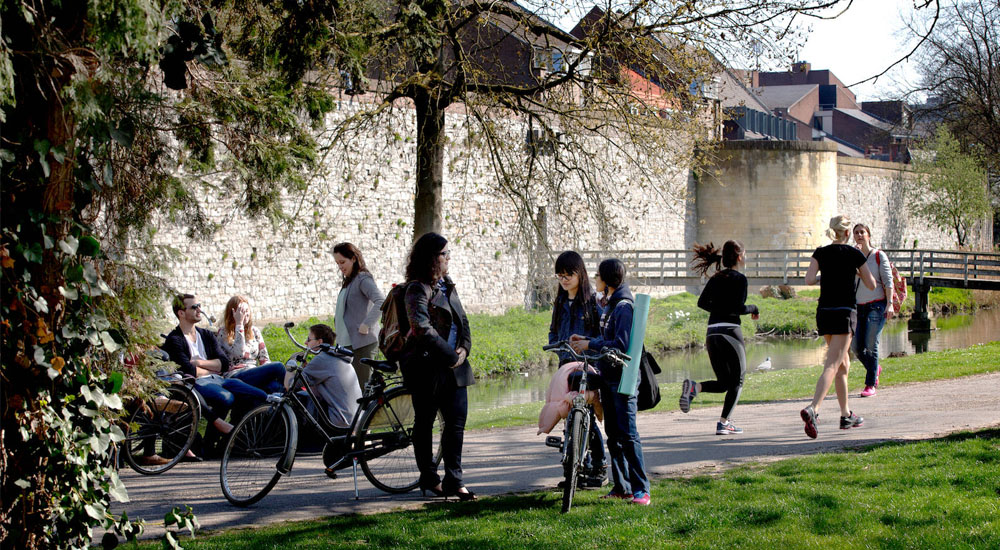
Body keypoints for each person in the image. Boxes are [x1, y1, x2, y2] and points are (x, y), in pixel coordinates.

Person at [400, 232, 476, 501]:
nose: (448, 258)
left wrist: (463, 350)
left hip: (455, 368)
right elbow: (421, 328)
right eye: (445, 254)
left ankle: (455, 480)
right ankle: (430, 478)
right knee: (424, 425)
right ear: (432, 257)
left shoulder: (448, 284)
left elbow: (463, 321)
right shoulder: (416, 289)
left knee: (455, 425)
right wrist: (449, 355)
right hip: (427, 369)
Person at [569, 258, 651, 506]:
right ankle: (622, 487)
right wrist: (585, 338)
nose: (595, 279)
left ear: (606, 280)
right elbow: (608, 337)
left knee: (628, 435)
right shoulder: (612, 304)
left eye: (598, 276)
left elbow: (621, 346)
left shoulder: (623, 307)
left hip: (622, 380)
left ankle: (641, 490)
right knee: (613, 435)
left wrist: (590, 344)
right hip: (609, 377)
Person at [800, 215, 876, 439]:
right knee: (833, 364)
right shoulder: (854, 254)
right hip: (844, 312)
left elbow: (809, 280)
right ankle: (813, 408)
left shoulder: (820, 253)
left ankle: (846, 415)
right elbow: (871, 285)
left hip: (824, 313)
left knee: (843, 364)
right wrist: (856, 270)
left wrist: (828, 277)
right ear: (846, 233)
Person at [161, 294, 258, 456]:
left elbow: (224, 363)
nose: (200, 309)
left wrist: (200, 363)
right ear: (181, 313)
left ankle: (230, 442)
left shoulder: (205, 334)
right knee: (225, 398)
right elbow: (188, 371)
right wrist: (213, 368)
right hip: (197, 383)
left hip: (220, 379)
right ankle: (210, 444)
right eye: (194, 307)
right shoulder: (175, 339)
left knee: (258, 395)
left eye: (199, 305)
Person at [679, 240, 759, 435]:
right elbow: (739, 308)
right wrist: (754, 308)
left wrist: (719, 308)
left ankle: (694, 388)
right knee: (738, 382)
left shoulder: (716, 278)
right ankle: (724, 422)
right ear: (740, 257)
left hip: (712, 333)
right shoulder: (740, 279)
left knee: (724, 383)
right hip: (730, 332)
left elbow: (702, 303)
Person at [547, 251, 607, 487]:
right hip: (565, 364)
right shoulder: (560, 302)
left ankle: (598, 466)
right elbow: (553, 330)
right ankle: (573, 467)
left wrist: (588, 348)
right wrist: (556, 345)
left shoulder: (592, 302)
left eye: (569, 274)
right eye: (560, 275)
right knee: (567, 413)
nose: (564, 279)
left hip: (587, 365)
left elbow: (600, 333)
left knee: (586, 414)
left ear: (579, 274)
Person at [333, 242, 386, 388]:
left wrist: (366, 324)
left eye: (343, 262)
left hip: (362, 343)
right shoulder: (349, 281)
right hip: (346, 344)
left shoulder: (362, 279)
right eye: (337, 263)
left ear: (354, 259)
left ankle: (373, 411)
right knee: (350, 389)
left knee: (363, 388)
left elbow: (381, 301)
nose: (340, 267)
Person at [852, 223, 894, 397]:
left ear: (869, 235)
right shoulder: (852, 257)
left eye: (862, 232)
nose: (859, 235)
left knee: (871, 344)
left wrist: (890, 303)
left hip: (876, 305)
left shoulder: (878, 256)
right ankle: (875, 367)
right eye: (856, 233)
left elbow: (888, 281)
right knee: (855, 346)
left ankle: (870, 385)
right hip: (858, 307)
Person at [217, 295, 286, 397]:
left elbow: (264, 359)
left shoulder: (255, 331)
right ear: (233, 313)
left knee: (275, 387)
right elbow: (240, 353)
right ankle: (291, 395)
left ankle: (284, 408)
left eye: (246, 309)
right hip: (236, 375)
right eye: (241, 310)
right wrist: (239, 324)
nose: (245, 313)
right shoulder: (223, 333)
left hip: (254, 371)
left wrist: (267, 372)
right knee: (279, 367)